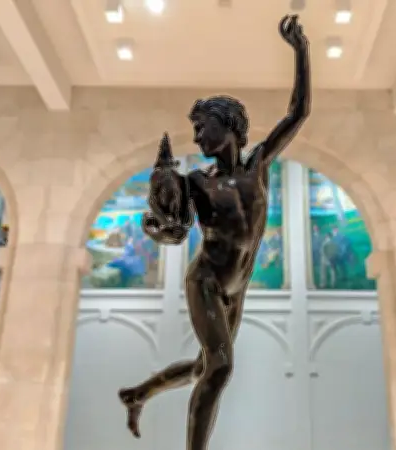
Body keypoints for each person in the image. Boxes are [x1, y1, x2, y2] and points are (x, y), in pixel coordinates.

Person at [117, 14, 310, 450]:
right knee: (220, 367)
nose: (197, 136)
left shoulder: (258, 163)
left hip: (237, 286)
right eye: (195, 129)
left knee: (205, 366)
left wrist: (301, 50)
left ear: (229, 125)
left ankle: (138, 394)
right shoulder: (196, 183)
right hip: (206, 280)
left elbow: (299, 112)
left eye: (203, 126)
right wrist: (158, 228)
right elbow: (175, 229)